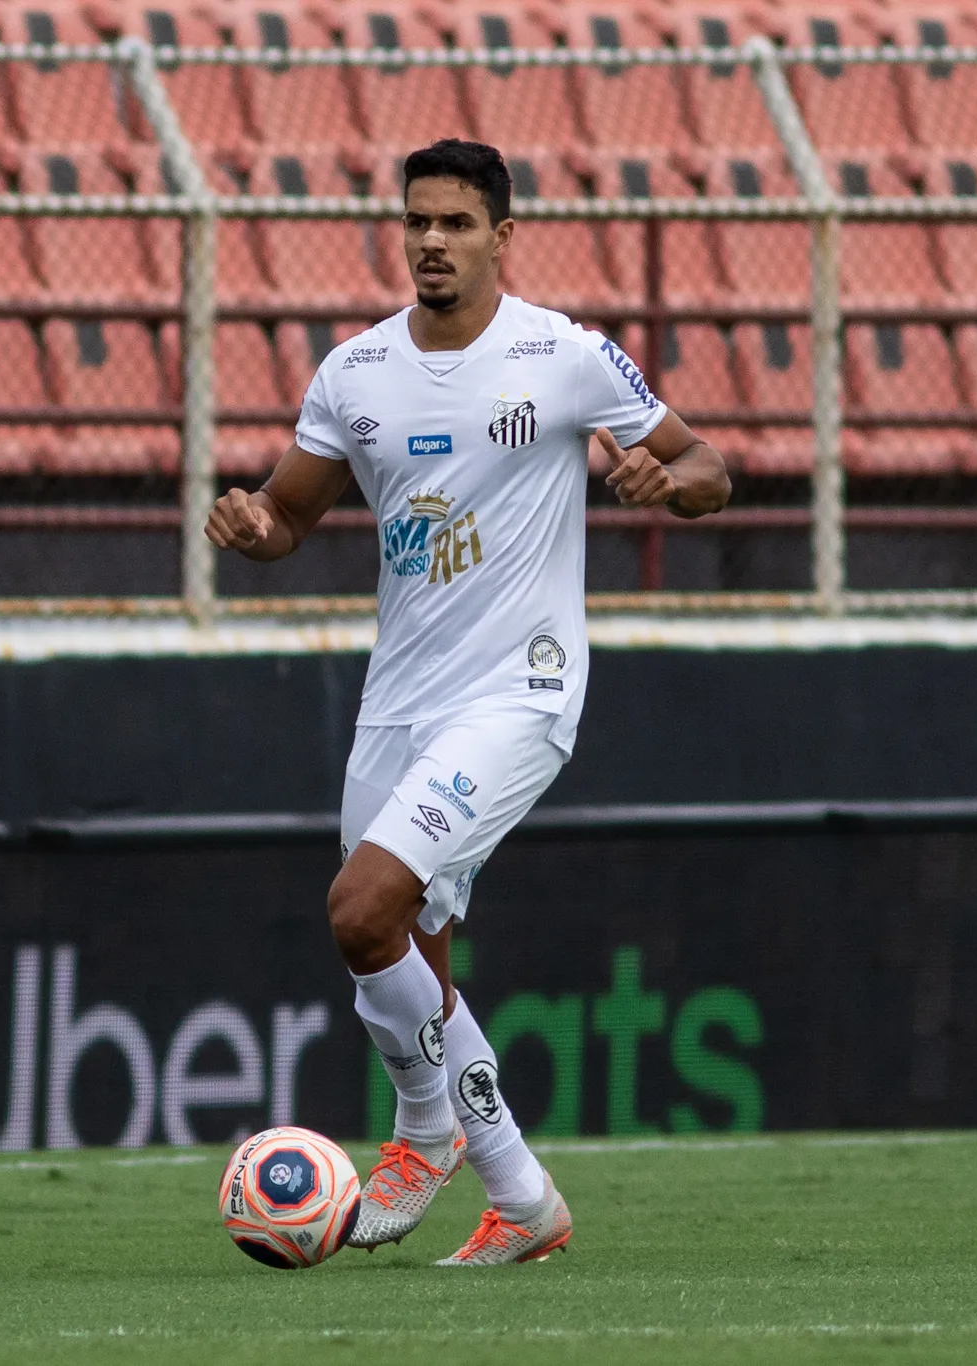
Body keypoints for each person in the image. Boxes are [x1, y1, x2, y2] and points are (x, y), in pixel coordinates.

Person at [204, 139, 730, 1266]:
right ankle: (522, 1199)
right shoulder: (354, 373)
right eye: (416, 222)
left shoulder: (565, 355)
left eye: (453, 223)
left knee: (360, 908)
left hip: (519, 691)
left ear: (501, 235)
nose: (430, 242)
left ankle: (426, 1131)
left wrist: (658, 482)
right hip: (399, 702)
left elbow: (707, 470)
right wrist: (254, 526)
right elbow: (289, 515)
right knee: (405, 956)